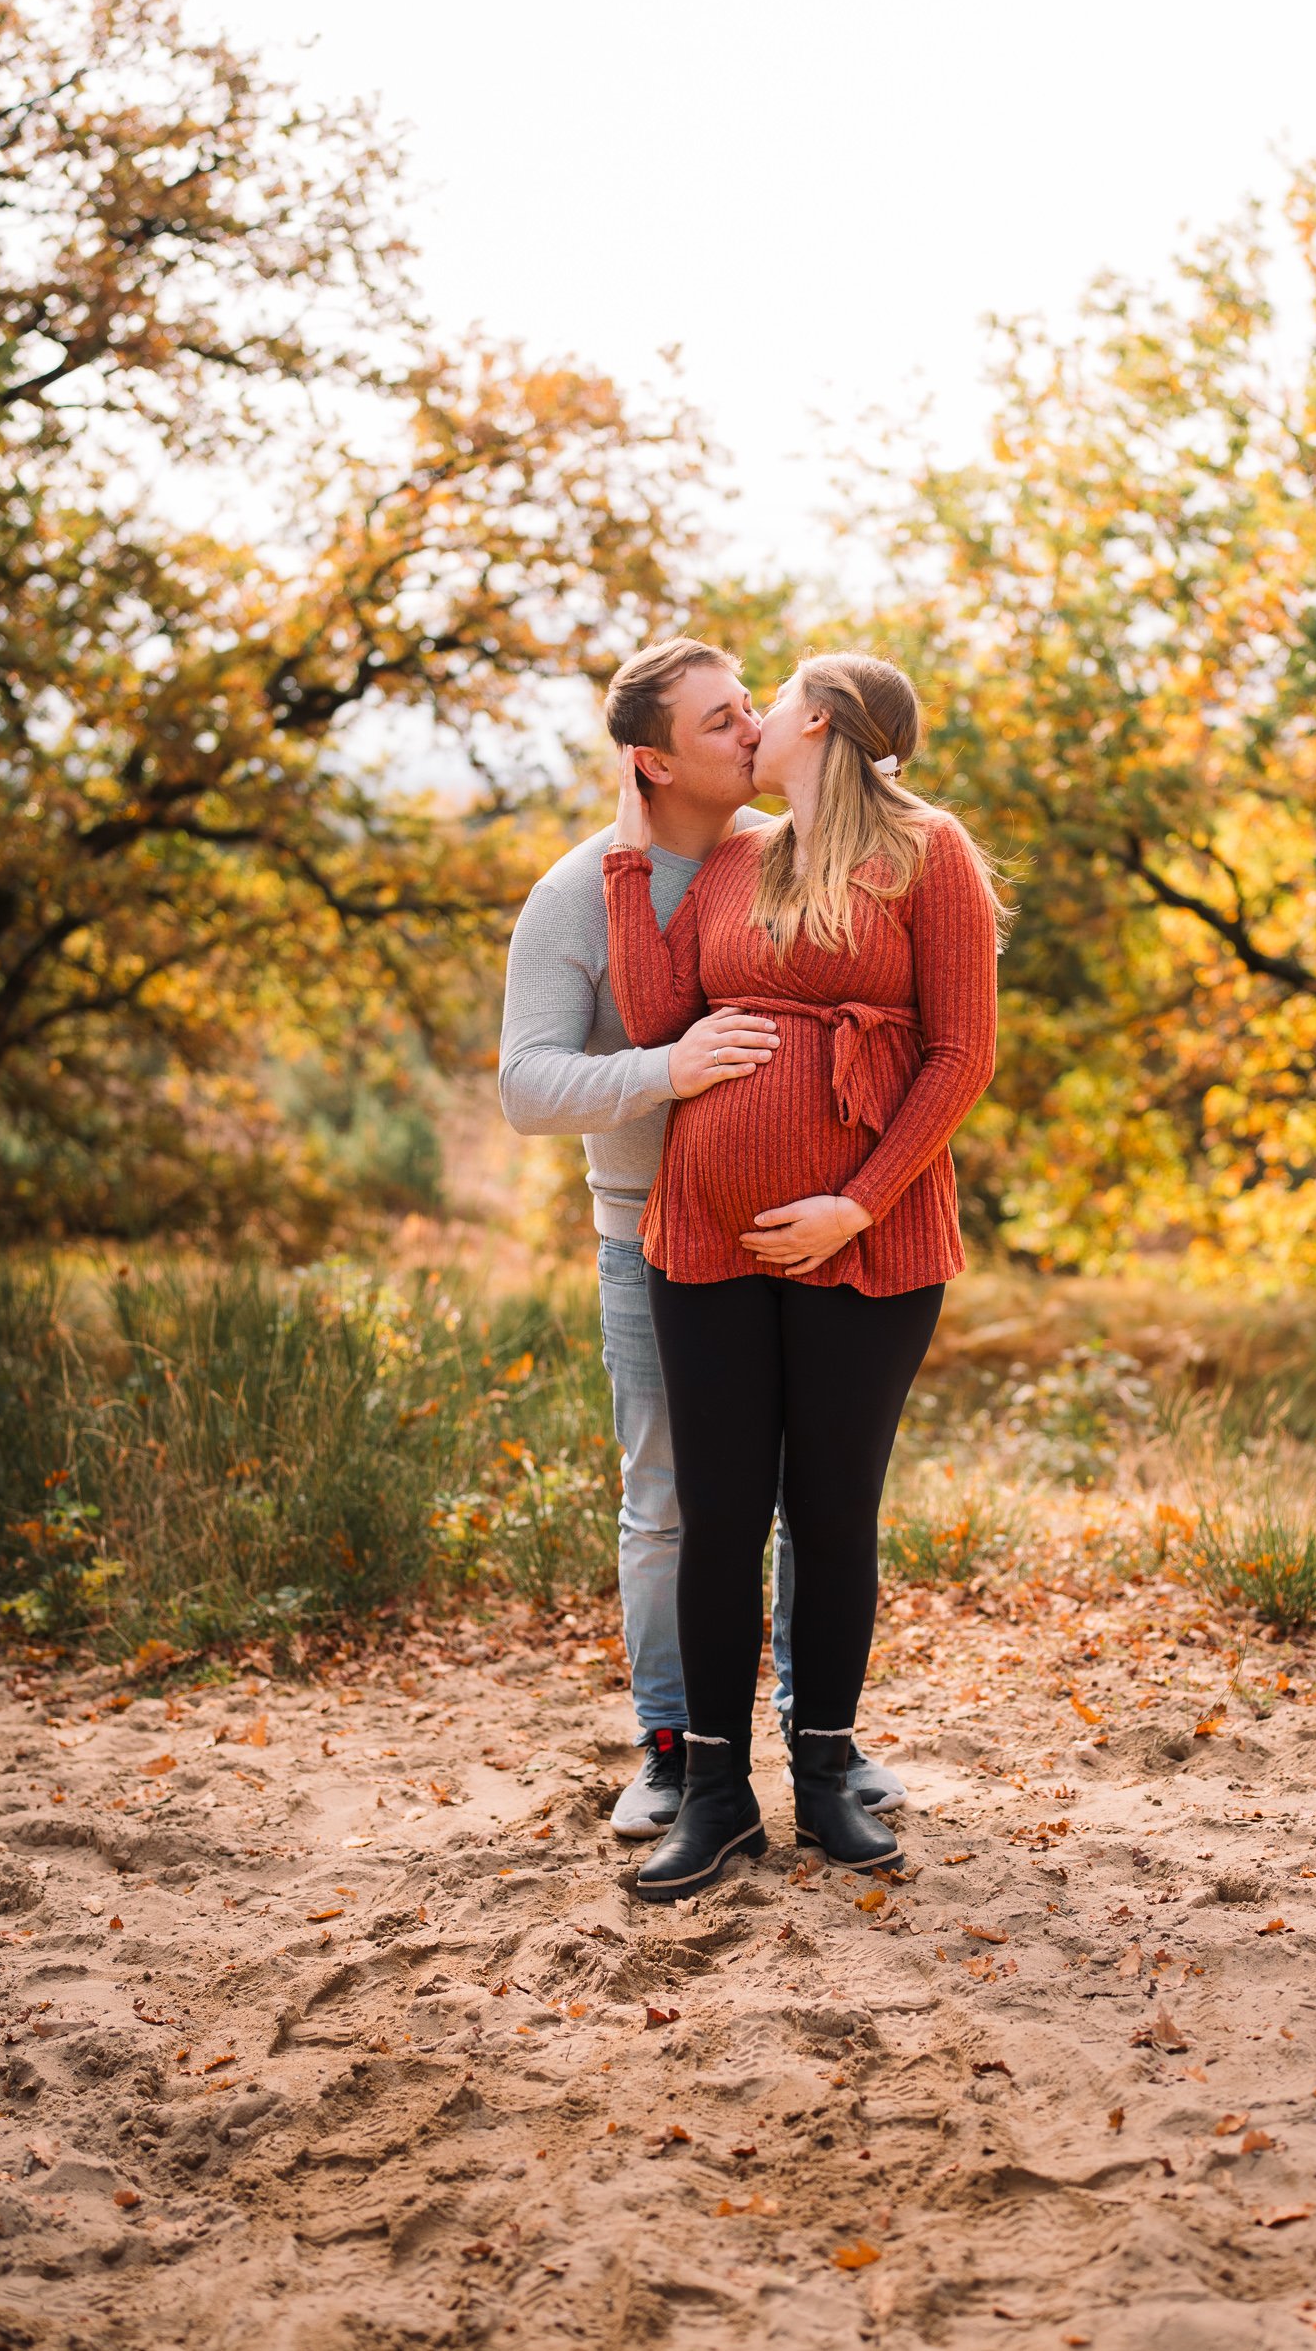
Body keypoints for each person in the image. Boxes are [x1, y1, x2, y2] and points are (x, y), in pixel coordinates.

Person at [604, 652, 1005, 1901]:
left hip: (868, 1245)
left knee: (830, 1512)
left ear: (816, 720)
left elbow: (960, 1055)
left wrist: (852, 1201)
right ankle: (716, 1795)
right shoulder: (735, 858)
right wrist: (629, 847)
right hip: (704, 1240)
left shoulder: (926, 852)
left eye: (767, 700)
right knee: (719, 1516)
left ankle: (823, 1773)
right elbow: (657, 1001)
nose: (753, 721)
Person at [497, 636, 909, 1837]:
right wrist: (666, 1070)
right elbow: (524, 1086)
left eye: (749, 709)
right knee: (672, 1500)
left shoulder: (766, 861)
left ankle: (810, 1732)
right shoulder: (578, 890)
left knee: (804, 1498)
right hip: (647, 1238)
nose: (751, 732)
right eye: (720, 721)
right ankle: (675, 1748)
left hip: (788, 1239)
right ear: (650, 761)